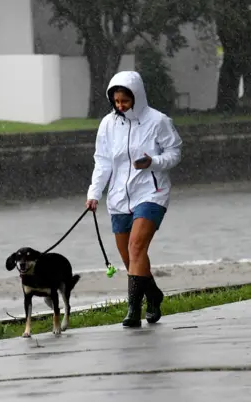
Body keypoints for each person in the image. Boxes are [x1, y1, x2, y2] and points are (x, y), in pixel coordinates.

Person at [85, 70, 183, 328]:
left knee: (137, 248)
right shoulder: (107, 124)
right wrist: (94, 193)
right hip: (118, 197)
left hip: (151, 193)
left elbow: (174, 153)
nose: (120, 106)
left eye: (125, 101)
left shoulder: (158, 121)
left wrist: (153, 162)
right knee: (129, 258)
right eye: (116, 101)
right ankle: (153, 295)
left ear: (136, 97)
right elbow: (103, 161)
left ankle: (132, 310)